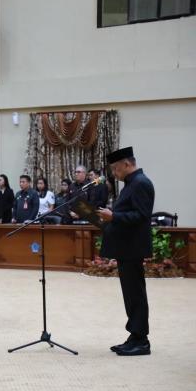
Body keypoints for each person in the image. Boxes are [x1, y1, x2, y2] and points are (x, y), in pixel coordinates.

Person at [96, 147, 154, 356]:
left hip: (133, 247)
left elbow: (142, 215)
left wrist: (114, 217)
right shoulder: (132, 184)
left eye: (115, 168)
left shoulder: (141, 183)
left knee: (135, 294)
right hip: (126, 247)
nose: (113, 173)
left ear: (127, 164)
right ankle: (135, 335)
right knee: (130, 294)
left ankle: (141, 340)